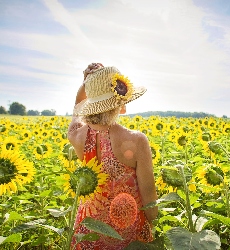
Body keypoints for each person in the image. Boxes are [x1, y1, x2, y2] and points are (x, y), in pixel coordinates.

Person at [67, 63, 158, 249]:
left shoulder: (77, 136)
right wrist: (154, 228)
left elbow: (76, 114)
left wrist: (86, 84)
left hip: (88, 232)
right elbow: (149, 196)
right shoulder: (137, 140)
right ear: (120, 104)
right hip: (127, 234)